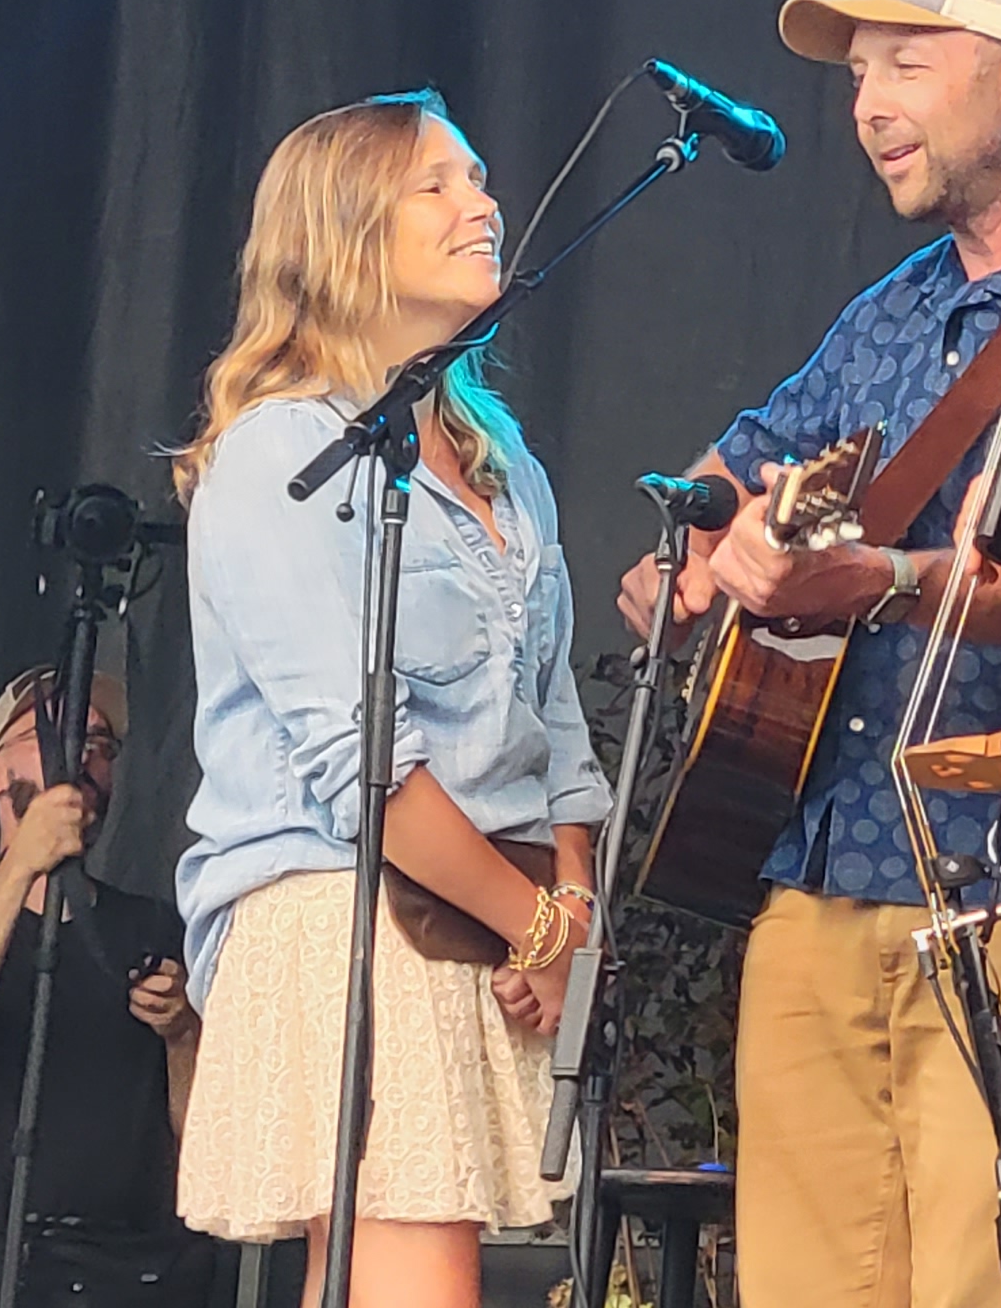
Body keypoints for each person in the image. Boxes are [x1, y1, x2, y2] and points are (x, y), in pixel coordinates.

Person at [618, 0, 1001, 1308]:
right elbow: (706, 500)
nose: (866, 100)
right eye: (855, 72)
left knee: (975, 1281)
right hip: (818, 873)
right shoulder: (884, 315)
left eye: (905, 59)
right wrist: (700, 565)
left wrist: (877, 581)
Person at [167, 91, 613, 1308]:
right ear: (345, 230)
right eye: (440, 183)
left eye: (478, 176)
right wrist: (535, 925)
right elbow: (356, 764)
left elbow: (556, 719)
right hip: (344, 912)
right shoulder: (279, 455)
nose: (484, 204)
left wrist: (566, 901)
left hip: (487, 905)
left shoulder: (501, 463)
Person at [0, 667, 215, 1308]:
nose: (79, 755)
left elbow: (204, 1131)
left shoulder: (156, 926)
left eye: (98, 744)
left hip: (132, 1266)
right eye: (52, 731)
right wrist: (22, 867)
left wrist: (182, 1031)